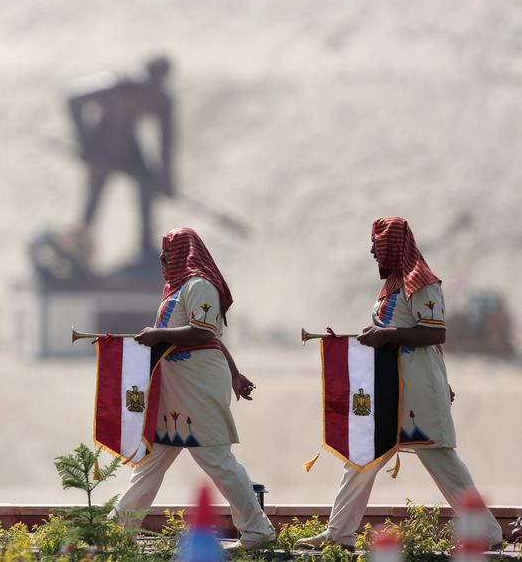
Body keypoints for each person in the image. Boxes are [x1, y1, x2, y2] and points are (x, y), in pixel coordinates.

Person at [296, 217, 503, 550]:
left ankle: (488, 534)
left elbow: (436, 332)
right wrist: (375, 334)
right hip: (389, 389)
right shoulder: (392, 284)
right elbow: (399, 328)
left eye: (377, 246)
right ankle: (338, 535)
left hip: (417, 390)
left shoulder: (421, 283)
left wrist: (387, 335)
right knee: (361, 459)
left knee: (442, 461)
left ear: (392, 246)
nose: (372, 252)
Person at [113, 226, 276, 550]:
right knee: (151, 462)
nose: (162, 259)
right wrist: (234, 370)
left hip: (198, 385)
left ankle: (258, 531)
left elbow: (204, 332)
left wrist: (158, 335)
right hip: (175, 390)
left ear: (182, 254)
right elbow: (211, 335)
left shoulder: (200, 285)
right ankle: (119, 529)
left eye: (167, 252)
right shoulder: (177, 290)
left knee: (216, 459)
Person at [66, 55, 175, 262]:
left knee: (147, 185)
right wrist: (84, 142)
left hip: (129, 147)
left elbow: (167, 142)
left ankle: (145, 247)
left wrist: (167, 179)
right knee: (94, 197)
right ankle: (80, 247)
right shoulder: (118, 84)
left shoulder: (162, 101)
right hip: (101, 144)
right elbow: (72, 98)